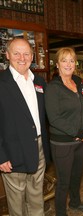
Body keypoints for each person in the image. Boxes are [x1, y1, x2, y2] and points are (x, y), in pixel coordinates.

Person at [0, 38, 51, 216]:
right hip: (12, 151)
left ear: (32, 56)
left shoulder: (39, 82)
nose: (22, 57)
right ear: (7, 55)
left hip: (39, 148)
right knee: (17, 202)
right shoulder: (1, 82)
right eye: (16, 53)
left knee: (37, 196)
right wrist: (1, 155)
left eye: (27, 53)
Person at [45, 47, 83, 216]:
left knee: (76, 176)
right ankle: (61, 212)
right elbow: (55, 119)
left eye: (72, 60)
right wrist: (80, 132)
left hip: (80, 142)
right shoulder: (53, 88)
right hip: (62, 143)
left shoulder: (79, 83)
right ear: (57, 64)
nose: (68, 64)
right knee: (63, 181)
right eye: (64, 60)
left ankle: (75, 202)